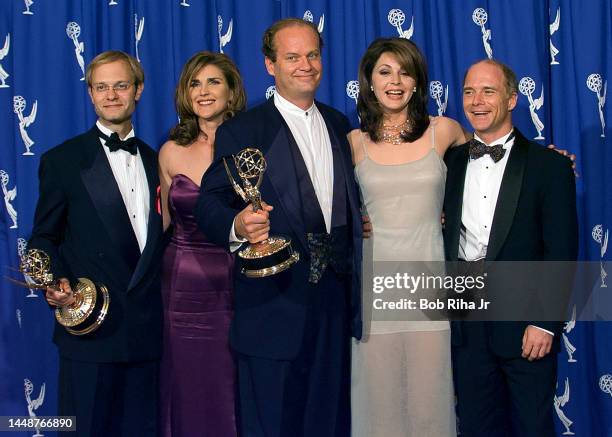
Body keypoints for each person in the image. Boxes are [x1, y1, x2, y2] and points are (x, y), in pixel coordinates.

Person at [195, 18, 363, 437]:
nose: (305, 65)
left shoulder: (340, 124)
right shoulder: (243, 130)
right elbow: (209, 203)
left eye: (312, 55)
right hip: (272, 308)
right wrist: (238, 223)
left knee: (328, 422)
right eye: (292, 57)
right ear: (270, 66)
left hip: (334, 306)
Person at [28, 50, 163, 436]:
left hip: (148, 335)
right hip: (91, 332)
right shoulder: (63, 160)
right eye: (101, 87)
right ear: (90, 94)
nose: (111, 95)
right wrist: (53, 283)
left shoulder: (159, 162)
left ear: (138, 90)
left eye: (121, 85)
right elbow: (44, 236)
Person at [443, 59, 578, 437]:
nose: (477, 101)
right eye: (469, 92)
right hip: (465, 324)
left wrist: (543, 322)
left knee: (532, 427)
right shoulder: (448, 163)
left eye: (488, 91)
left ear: (513, 99)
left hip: (524, 327)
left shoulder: (549, 166)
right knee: (475, 426)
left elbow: (561, 251)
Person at [347, 37, 468, 436]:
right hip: (374, 292)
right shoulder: (352, 142)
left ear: (418, 82)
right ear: (369, 81)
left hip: (429, 284)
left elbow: (487, 184)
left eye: (405, 71)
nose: (395, 81)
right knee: (376, 405)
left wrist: (554, 164)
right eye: (384, 71)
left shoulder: (445, 131)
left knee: (430, 402)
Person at [157, 51, 246, 437]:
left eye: (213, 82)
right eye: (195, 83)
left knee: (235, 385)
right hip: (182, 287)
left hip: (242, 285)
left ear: (231, 91)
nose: (203, 91)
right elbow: (160, 226)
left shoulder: (252, 147)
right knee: (188, 385)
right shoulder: (170, 151)